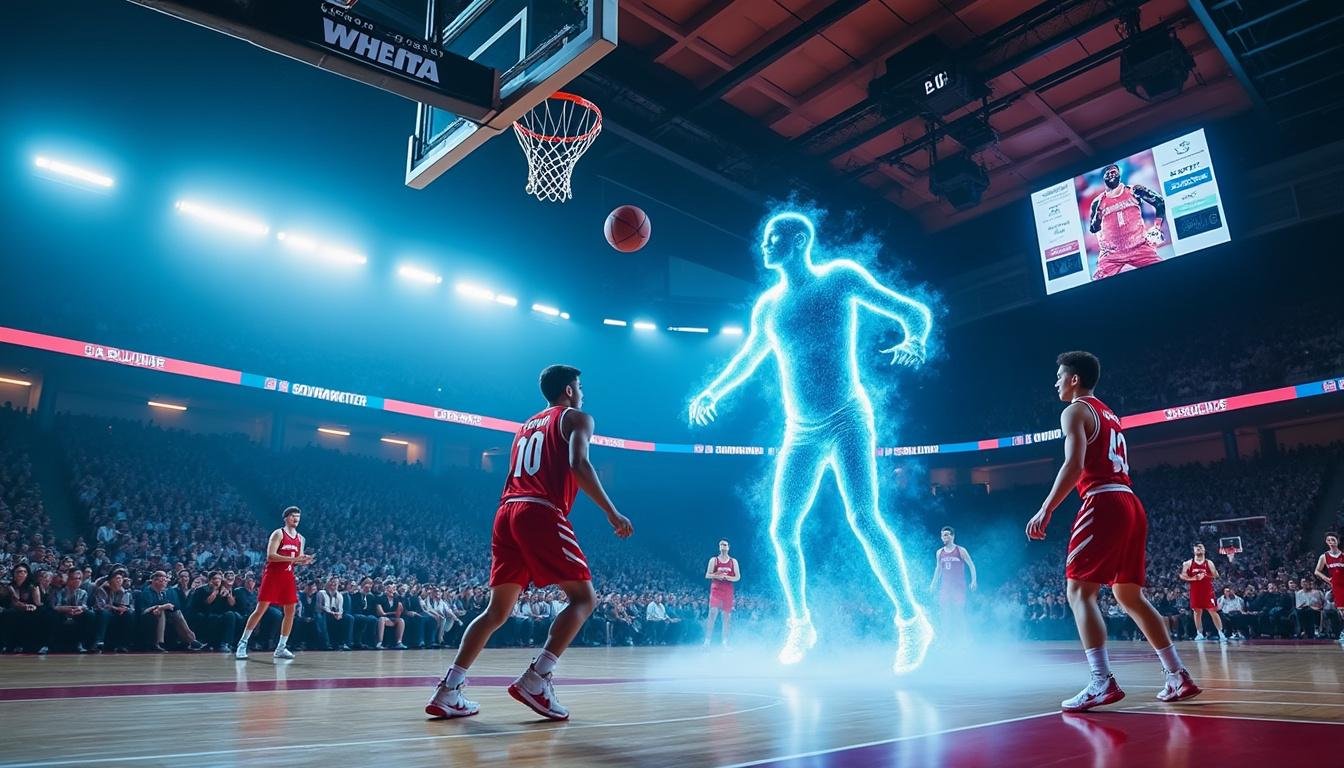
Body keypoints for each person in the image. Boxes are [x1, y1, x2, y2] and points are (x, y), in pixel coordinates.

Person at [689, 212, 933, 673]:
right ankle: (800, 623)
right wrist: (712, 391)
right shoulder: (769, 307)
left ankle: (910, 620)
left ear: (799, 239)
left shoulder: (839, 279)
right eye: (763, 238)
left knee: (863, 517)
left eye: (773, 237)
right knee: (782, 530)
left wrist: (915, 338)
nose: (764, 245)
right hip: (800, 430)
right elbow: (748, 357)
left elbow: (912, 311)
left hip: (847, 419)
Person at [425, 365, 633, 722]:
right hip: (539, 511)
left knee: (496, 612)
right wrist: (612, 513)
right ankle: (537, 677)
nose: (582, 392)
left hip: (506, 513)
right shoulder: (578, 418)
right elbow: (579, 464)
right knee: (584, 599)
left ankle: (449, 689)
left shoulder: (524, 426)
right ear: (569, 390)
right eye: (580, 386)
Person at [1025, 351, 1200, 712]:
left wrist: (1047, 508)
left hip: (1104, 500)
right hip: (1131, 502)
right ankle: (1176, 674)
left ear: (1074, 378)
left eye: (1059, 376)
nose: (1055, 382)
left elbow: (1074, 464)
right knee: (1128, 595)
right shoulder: (1109, 413)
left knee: (1078, 592)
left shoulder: (1074, 410)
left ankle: (1100, 681)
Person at [236, 507, 313, 660]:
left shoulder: (301, 538)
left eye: (298, 516)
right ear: (285, 518)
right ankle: (242, 643)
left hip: (288, 576)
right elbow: (271, 556)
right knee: (261, 609)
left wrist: (304, 561)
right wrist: (294, 559)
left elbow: (297, 560)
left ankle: (281, 647)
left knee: (290, 612)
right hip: (272, 575)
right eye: (292, 516)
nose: (296, 518)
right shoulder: (278, 533)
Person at [1087, 164, 1166, 279]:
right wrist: (1098, 217)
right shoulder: (1097, 202)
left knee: (1165, 272)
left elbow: (1159, 202)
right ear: (1103, 178)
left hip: (1139, 248)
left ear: (1120, 174)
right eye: (1108, 173)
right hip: (1111, 255)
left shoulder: (1134, 190)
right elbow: (1093, 229)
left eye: (1114, 172)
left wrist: (1157, 227)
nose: (1111, 175)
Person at [928, 526, 976, 643]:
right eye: (943, 535)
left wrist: (974, 580)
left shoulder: (960, 550)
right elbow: (938, 569)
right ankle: (945, 639)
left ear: (952, 536)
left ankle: (964, 638)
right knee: (945, 613)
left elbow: (971, 565)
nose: (944, 537)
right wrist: (933, 584)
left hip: (959, 587)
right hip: (945, 587)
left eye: (947, 534)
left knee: (959, 612)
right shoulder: (939, 552)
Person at [1180, 543, 1228, 644]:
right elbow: (1183, 576)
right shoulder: (1188, 563)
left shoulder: (1208, 563)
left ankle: (1221, 632)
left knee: (1212, 611)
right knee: (1197, 612)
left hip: (1207, 591)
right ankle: (1199, 633)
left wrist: (1207, 575)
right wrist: (1195, 578)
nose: (1198, 549)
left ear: (1204, 550)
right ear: (1193, 551)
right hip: (1195, 591)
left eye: (1200, 547)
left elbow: (1215, 575)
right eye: (1196, 548)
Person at [703, 540, 740, 647]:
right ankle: (707, 641)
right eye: (721, 545)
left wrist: (727, 577)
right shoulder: (713, 560)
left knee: (726, 617)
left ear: (728, 547)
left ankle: (725, 642)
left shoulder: (733, 562)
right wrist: (717, 575)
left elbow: (737, 577)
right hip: (716, 589)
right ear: (719, 547)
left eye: (725, 545)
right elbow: (707, 575)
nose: (723, 546)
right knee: (712, 613)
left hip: (728, 590)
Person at [1313, 532, 1344, 644]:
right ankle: (1343, 634)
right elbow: (1317, 571)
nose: (1331, 542)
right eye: (1329, 540)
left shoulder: (1343, 556)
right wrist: (1328, 579)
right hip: (1336, 586)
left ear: (1337, 541)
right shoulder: (1324, 556)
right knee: (1342, 611)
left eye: (1333, 539)